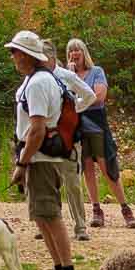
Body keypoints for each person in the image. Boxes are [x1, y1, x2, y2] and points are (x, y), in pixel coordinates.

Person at [5, 30, 79, 270]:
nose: (12, 57)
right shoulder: (41, 80)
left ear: (25, 55)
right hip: (40, 156)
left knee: (49, 215)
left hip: (40, 158)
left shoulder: (37, 84)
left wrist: (22, 163)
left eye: (14, 52)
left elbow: (36, 129)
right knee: (42, 216)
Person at [67, 37, 135, 229]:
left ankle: (125, 208)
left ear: (84, 53)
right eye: (71, 51)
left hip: (97, 124)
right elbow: (65, 100)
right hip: (78, 126)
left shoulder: (96, 72)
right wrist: (71, 78)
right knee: (87, 167)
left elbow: (99, 97)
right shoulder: (67, 76)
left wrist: (78, 101)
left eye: (78, 50)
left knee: (107, 165)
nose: (75, 54)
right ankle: (96, 210)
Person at [50, 57, 96, 246]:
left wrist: (73, 109)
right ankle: (50, 225)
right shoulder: (34, 77)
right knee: (48, 183)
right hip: (45, 138)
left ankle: (80, 226)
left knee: (73, 183)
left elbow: (90, 95)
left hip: (68, 138)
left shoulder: (66, 76)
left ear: (51, 57)